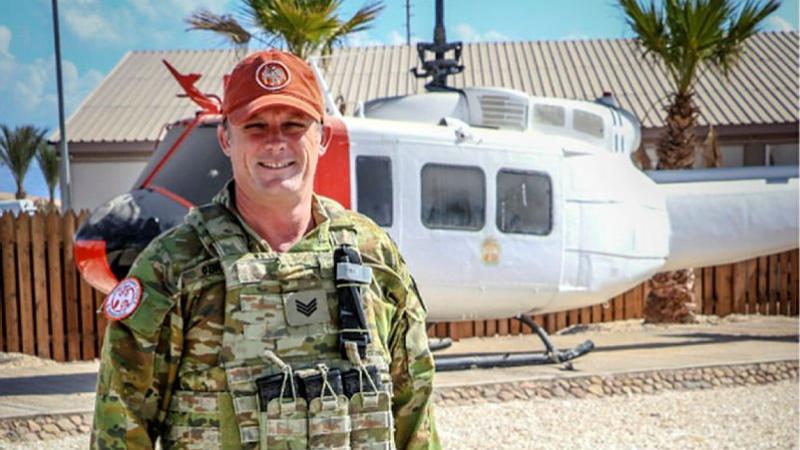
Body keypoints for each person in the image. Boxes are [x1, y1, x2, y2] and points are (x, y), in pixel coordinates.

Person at [92, 49, 440, 450]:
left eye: (294, 124)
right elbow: (121, 426)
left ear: (322, 136)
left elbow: (416, 414)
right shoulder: (174, 267)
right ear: (225, 138)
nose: (276, 142)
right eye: (255, 125)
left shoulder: (372, 256)